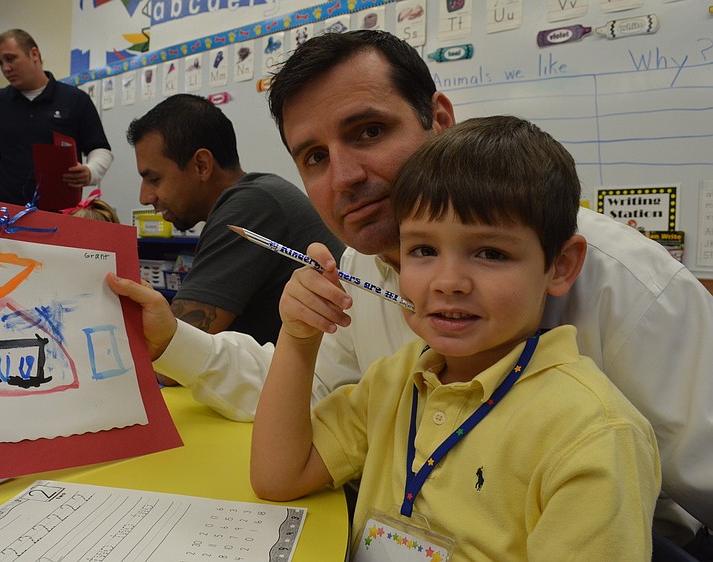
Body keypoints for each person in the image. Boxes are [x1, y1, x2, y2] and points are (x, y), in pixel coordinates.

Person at [107, 30, 713, 545]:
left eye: (369, 131)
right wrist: (173, 339)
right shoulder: (363, 275)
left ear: (439, 121)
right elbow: (306, 396)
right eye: (314, 157)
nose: (344, 177)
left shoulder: (625, 284)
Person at [251, 115, 661, 559]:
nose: (447, 282)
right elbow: (279, 476)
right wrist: (300, 337)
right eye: (423, 250)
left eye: (490, 253)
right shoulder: (396, 379)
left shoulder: (592, 434)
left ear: (560, 266)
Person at [112, 93, 343, 370]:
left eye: (154, 179)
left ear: (201, 165)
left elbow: (171, 351)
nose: (145, 197)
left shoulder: (251, 206)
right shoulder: (257, 195)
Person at [0, 29, 113, 209]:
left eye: (10, 58)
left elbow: (100, 149)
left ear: (34, 54)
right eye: (0, 62)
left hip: (60, 213)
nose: (6, 68)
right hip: (6, 214)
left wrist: (90, 172)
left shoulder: (75, 100)